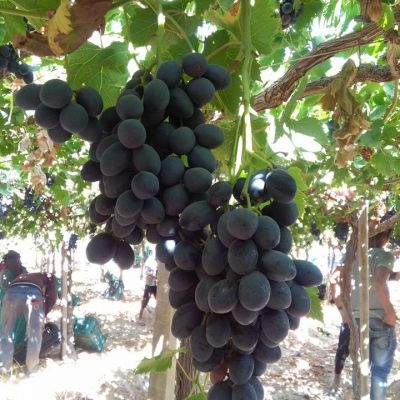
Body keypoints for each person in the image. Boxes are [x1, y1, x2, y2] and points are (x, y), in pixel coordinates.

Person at [351, 225, 398, 399]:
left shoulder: (354, 256)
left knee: (360, 370)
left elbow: (363, 279)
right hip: (379, 319)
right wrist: (390, 313)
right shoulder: (384, 255)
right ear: (385, 237)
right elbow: (378, 283)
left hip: (356, 319)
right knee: (379, 373)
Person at [0, 272, 57, 373]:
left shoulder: (22, 275)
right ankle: (32, 369)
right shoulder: (49, 276)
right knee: (35, 333)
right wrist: (43, 314)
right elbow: (52, 296)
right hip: (33, 296)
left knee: (5, 333)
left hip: (10, 294)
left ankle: (4, 369)